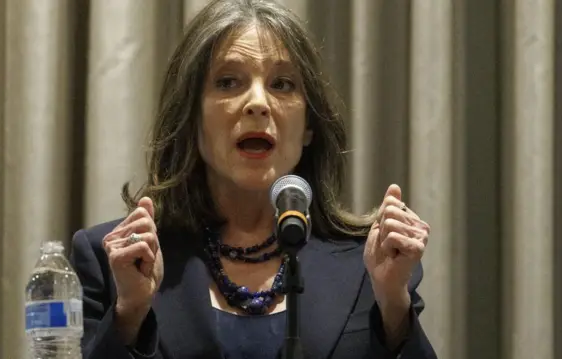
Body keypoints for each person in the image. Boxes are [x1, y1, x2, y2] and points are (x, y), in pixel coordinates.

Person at [69, 0, 438, 358]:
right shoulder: (118, 261)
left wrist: (394, 309)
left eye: (282, 84)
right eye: (228, 82)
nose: (258, 102)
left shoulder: (370, 265)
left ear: (309, 125)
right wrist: (129, 314)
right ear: (191, 116)